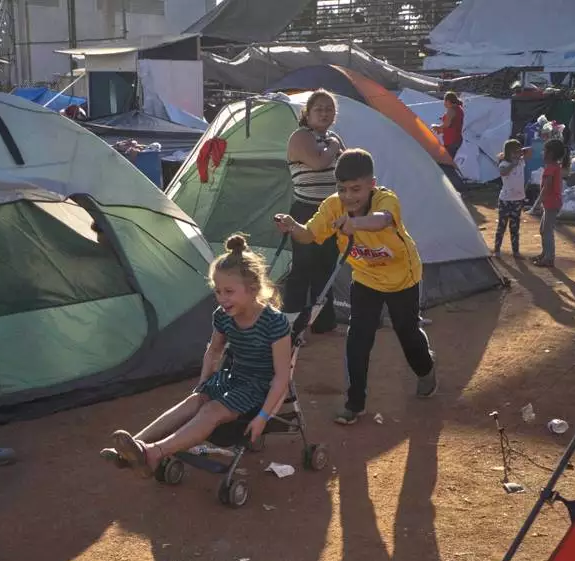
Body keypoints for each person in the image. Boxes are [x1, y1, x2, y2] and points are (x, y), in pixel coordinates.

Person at [103, 235, 292, 476]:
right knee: (193, 402)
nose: (222, 298)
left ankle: (153, 453)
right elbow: (213, 350)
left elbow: (282, 376)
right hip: (232, 377)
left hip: (259, 386)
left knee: (210, 411)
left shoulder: (274, 322)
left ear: (253, 289)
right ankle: (132, 448)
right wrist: (203, 384)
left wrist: (264, 416)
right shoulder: (223, 315)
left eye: (229, 292)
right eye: (218, 291)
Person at [274, 148, 437, 425]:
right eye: (342, 189)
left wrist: (355, 224)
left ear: (371, 184)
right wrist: (292, 227)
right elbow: (309, 235)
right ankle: (355, 403)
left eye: (356, 189)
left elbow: (382, 220)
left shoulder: (386, 199)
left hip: (403, 279)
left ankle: (426, 369)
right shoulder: (332, 206)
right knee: (357, 339)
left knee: (407, 333)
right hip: (364, 279)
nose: (349, 196)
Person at [284, 89, 344, 338]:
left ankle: (324, 323)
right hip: (306, 212)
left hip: (331, 212)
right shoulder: (300, 136)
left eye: (329, 108)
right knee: (302, 270)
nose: (324, 112)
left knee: (326, 270)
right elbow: (318, 163)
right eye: (318, 108)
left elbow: (346, 171)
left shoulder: (333, 138)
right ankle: (290, 329)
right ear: (307, 113)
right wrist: (333, 146)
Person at [533, 138, 566, 268]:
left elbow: (547, 187)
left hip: (551, 204)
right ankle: (545, 254)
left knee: (547, 231)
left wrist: (537, 202)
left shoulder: (551, 168)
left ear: (550, 154)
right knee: (543, 230)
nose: (542, 153)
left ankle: (549, 258)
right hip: (551, 203)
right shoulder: (555, 167)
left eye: (544, 151)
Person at [495, 139, 530, 258]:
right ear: (508, 153)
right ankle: (497, 249)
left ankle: (516, 251)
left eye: (518, 152)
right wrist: (512, 164)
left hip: (518, 199)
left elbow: (530, 152)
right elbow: (503, 172)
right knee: (502, 226)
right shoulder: (504, 164)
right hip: (506, 200)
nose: (517, 154)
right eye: (514, 152)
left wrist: (522, 152)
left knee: (515, 227)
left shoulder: (521, 162)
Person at [433, 91, 465, 161]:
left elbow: (447, 124)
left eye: (444, 101)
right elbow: (453, 126)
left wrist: (437, 127)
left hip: (451, 141)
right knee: (448, 160)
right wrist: (441, 130)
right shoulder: (458, 109)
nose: (444, 103)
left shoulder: (451, 110)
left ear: (448, 101)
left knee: (445, 161)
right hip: (456, 139)